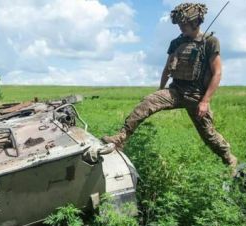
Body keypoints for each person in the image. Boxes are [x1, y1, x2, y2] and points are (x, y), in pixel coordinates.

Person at [102, 2, 237, 171]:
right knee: (147, 102)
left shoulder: (210, 42)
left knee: (209, 135)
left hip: (196, 96)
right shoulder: (176, 43)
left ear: (195, 22)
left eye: (184, 24)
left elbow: (217, 73)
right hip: (176, 90)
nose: (181, 27)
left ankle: (229, 160)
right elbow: (167, 68)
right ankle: (120, 138)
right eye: (179, 24)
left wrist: (205, 101)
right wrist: (160, 91)